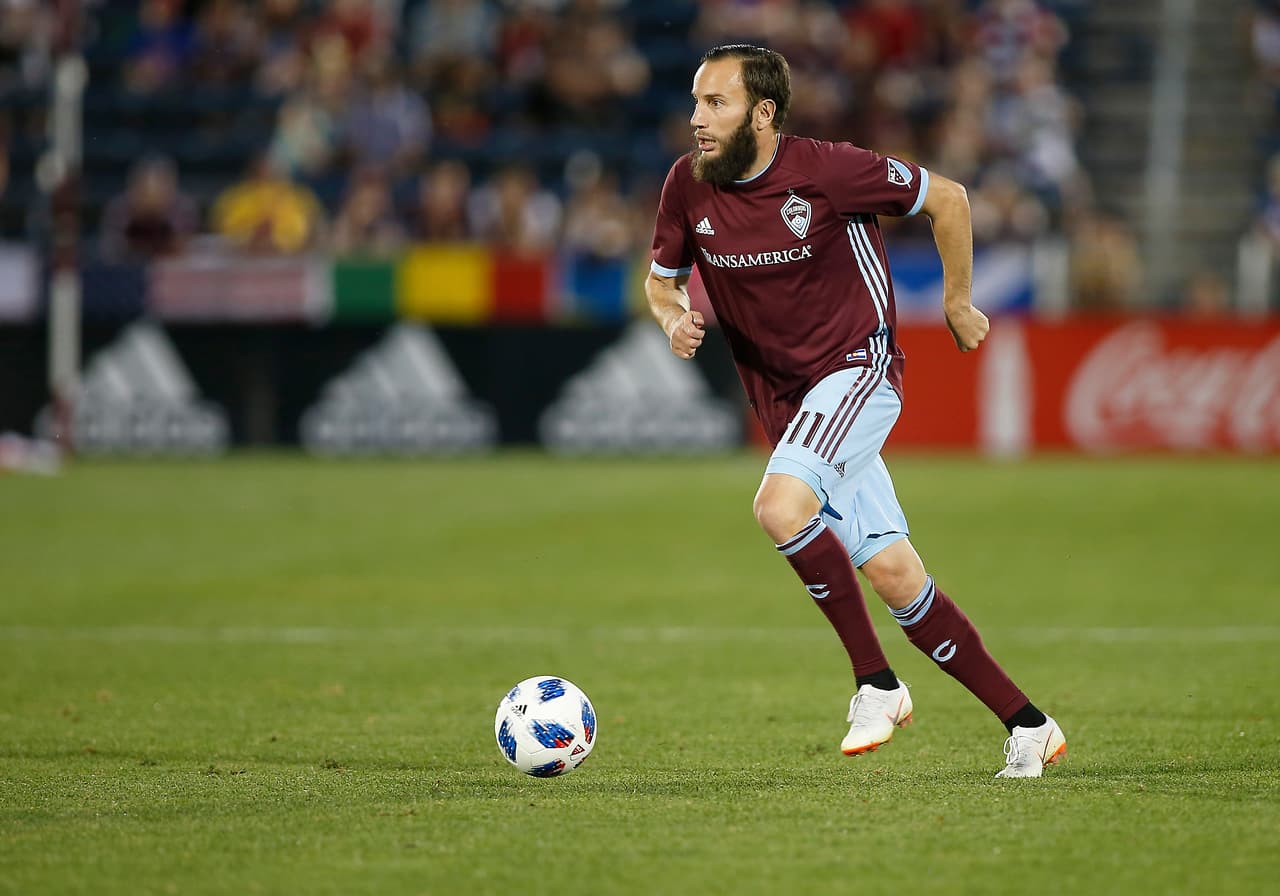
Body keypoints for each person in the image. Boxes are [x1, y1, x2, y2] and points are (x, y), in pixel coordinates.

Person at [645, 44, 1066, 778]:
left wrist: (958, 300)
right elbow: (660, 281)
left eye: (715, 103)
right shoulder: (687, 184)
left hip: (858, 370)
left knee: (779, 507)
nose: (696, 120)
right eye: (694, 102)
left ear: (763, 113)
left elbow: (950, 199)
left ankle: (876, 682)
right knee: (898, 577)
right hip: (786, 403)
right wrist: (673, 316)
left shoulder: (828, 170)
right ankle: (1029, 725)